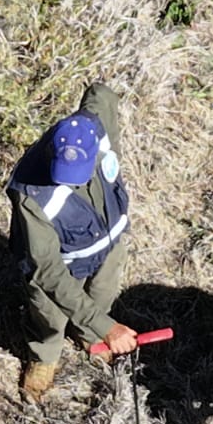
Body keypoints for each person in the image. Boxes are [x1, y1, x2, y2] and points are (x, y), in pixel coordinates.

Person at [7, 81, 138, 403]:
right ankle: (45, 355)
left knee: (103, 292)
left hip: (108, 243)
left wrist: (99, 324)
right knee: (50, 316)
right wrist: (108, 327)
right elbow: (47, 270)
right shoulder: (32, 196)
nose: (68, 182)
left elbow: (100, 94)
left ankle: (88, 336)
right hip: (60, 264)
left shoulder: (93, 125)